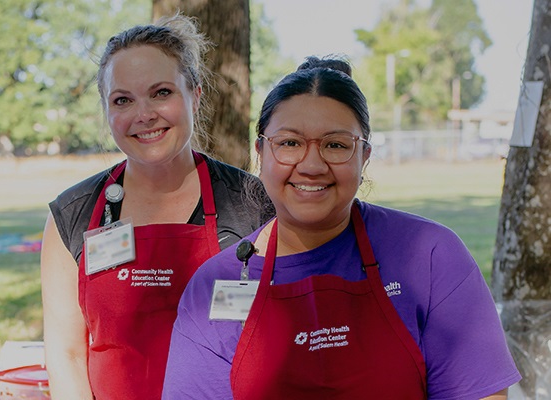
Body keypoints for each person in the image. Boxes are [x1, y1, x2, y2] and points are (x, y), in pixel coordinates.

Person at [162, 56, 521, 399]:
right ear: (261, 152)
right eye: (289, 143)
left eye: (336, 145)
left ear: (364, 156)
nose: (312, 165)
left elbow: (481, 393)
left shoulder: (430, 255)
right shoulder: (213, 285)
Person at [40, 13, 272, 400]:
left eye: (161, 92)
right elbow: (66, 354)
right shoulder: (71, 215)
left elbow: (281, 341)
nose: (143, 114)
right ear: (106, 109)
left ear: (195, 95)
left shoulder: (253, 204)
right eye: (123, 100)